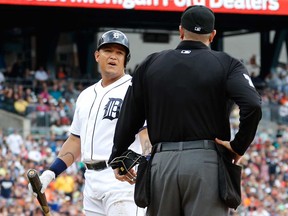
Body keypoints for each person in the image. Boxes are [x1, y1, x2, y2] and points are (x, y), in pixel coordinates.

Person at [108, 5, 262, 216]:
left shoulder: (151, 63)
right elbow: (252, 104)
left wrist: (118, 154)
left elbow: (130, 114)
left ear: (181, 31)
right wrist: (238, 145)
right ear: (213, 35)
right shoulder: (227, 64)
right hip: (207, 163)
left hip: (162, 163)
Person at [28, 30, 147, 216]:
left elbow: (146, 136)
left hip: (122, 180)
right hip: (91, 182)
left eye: (119, 52)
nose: (113, 56)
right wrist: (51, 172)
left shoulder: (135, 90)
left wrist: (146, 163)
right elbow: (76, 140)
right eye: (108, 50)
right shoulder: (85, 95)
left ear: (126, 59)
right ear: (97, 55)